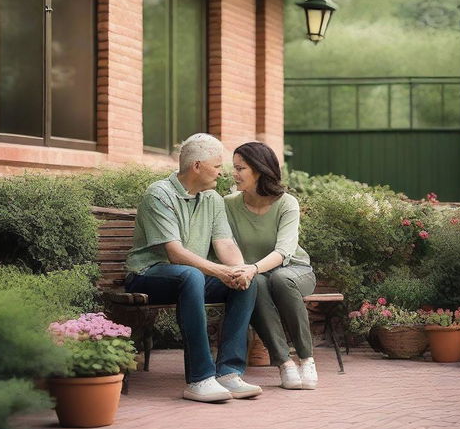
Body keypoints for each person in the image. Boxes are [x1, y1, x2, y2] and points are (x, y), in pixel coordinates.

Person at [125, 133, 262, 403]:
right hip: (148, 275)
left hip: (191, 278)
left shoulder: (211, 199)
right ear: (197, 166)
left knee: (244, 282)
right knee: (191, 275)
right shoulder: (159, 194)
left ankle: (228, 373)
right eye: (217, 166)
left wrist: (240, 270)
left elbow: (225, 244)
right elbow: (175, 254)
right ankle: (200, 379)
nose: (222, 173)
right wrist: (219, 271)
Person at [225, 141, 318, 390]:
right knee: (257, 284)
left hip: (295, 271)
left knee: (279, 279)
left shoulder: (287, 203)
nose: (233, 173)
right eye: (233, 167)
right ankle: (285, 364)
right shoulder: (229, 204)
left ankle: (307, 359)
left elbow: (284, 251)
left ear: (259, 170)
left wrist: (253, 268)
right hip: (256, 273)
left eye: (240, 168)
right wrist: (248, 271)